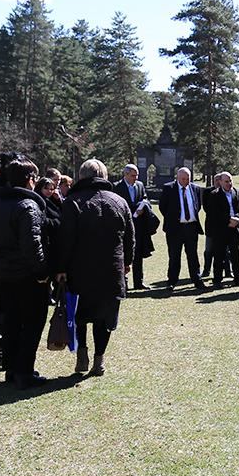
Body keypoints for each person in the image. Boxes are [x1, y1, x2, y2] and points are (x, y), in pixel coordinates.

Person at [55, 159, 133, 378]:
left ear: (81, 176)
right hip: (111, 269)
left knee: (79, 313)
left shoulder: (72, 202)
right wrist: (127, 262)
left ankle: (82, 353)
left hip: (80, 269)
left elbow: (65, 239)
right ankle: (99, 359)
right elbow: (130, 237)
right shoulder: (119, 201)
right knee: (104, 318)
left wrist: (60, 267)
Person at [0, 159, 53, 388]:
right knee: (32, 323)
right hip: (26, 277)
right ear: (30, 180)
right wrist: (43, 272)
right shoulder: (28, 206)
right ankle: (23, 371)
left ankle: (12, 368)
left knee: (12, 322)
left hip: (3, 274)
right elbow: (33, 245)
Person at [158, 166, 207, 291]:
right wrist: (175, 218)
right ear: (177, 177)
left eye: (188, 178)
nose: (186, 181)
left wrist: (189, 217)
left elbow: (198, 206)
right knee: (174, 256)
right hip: (175, 228)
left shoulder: (195, 188)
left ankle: (197, 280)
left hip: (191, 227)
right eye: (183, 179)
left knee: (193, 256)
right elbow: (163, 207)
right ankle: (172, 281)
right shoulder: (169, 188)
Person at [203, 171, 239, 287]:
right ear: (220, 182)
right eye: (226, 181)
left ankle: (238, 279)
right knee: (219, 256)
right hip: (221, 230)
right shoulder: (214, 195)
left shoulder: (237, 192)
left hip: (235, 229)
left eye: (230, 181)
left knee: (236, 255)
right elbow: (214, 213)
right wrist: (229, 220)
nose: (229, 183)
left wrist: (237, 218)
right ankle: (217, 281)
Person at [113, 164, 151, 290]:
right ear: (126, 175)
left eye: (137, 175)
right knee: (124, 255)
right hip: (123, 226)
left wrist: (143, 207)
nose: (135, 178)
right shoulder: (117, 187)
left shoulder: (140, 185)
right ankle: (124, 283)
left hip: (138, 226)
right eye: (133, 175)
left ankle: (139, 282)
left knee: (138, 254)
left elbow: (145, 199)